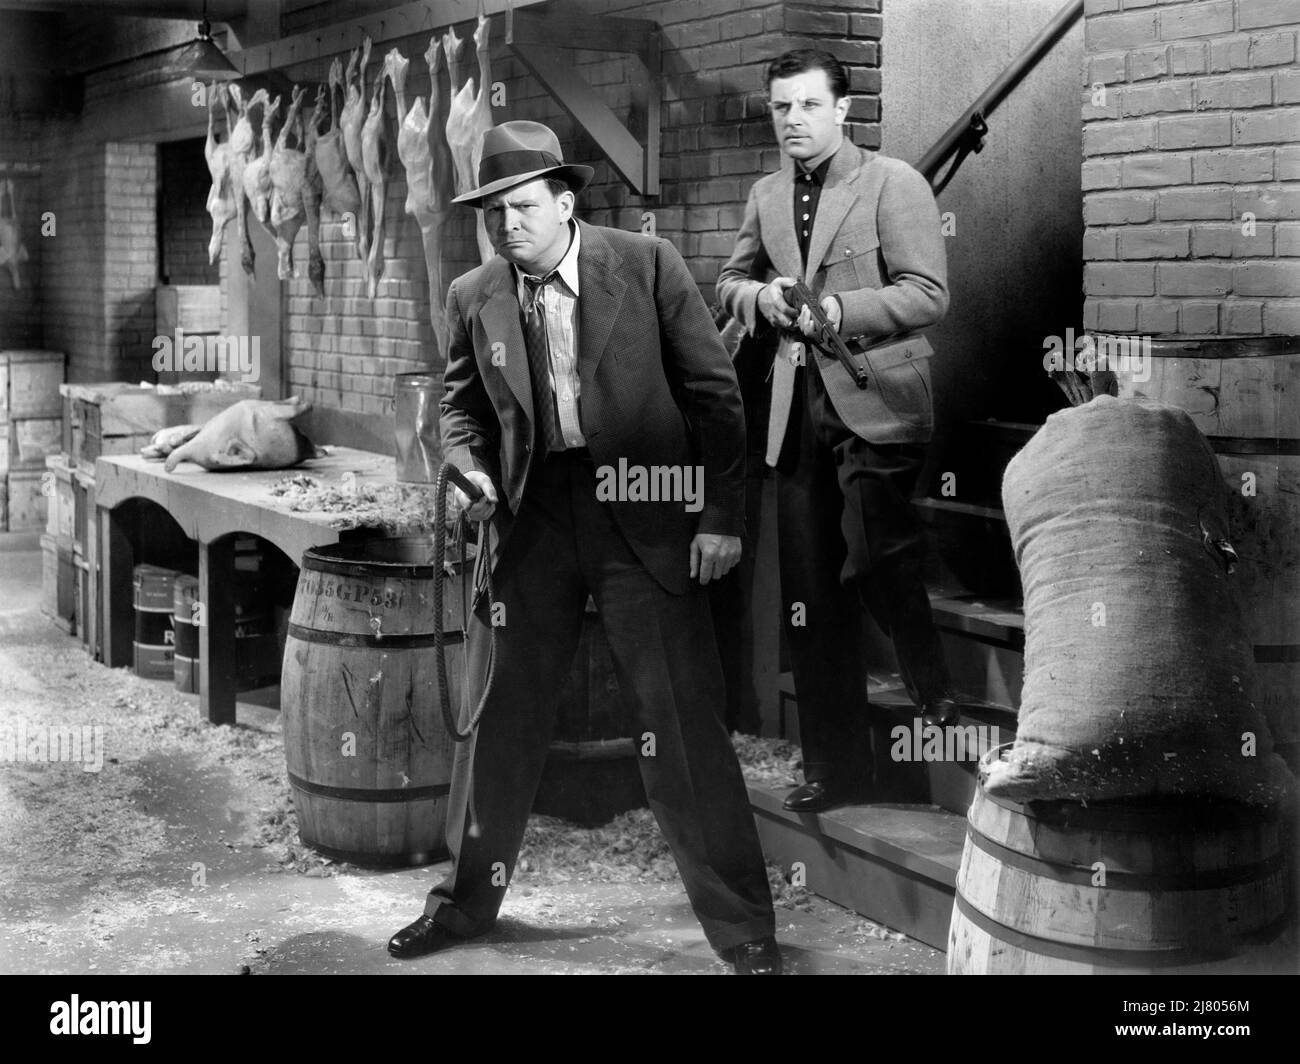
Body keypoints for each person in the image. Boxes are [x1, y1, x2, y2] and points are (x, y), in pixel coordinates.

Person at [387, 120, 781, 974]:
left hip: (644, 510)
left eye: (524, 207)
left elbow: (717, 399)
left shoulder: (645, 265)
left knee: (681, 728)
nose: (509, 226)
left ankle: (745, 930)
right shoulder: (474, 293)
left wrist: (719, 517)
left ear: (565, 202)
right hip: (532, 518)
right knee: (499, 723)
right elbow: (460, 411)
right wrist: (465, 466)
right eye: (496, 213)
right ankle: (462, 908)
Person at [716, 49, 959, 814]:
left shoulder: (894, 183)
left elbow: (927, 294)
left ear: (843, 109)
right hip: (794, 407)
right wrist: (764, 297)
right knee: (811, 590)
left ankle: (934, 696)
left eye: (809, 105)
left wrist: (838, 310)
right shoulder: (764, 194)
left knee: (878, 557)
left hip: (879, 401)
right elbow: (728, 283)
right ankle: (835, 766)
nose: (793, 120)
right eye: (781, 107)